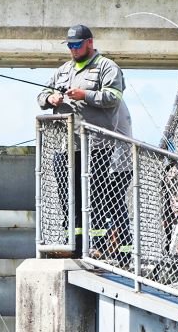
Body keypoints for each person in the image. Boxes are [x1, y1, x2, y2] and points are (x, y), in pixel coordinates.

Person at [38, 25, 133, 263]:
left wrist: (85, 95)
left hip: (98, 145)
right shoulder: (63, 70)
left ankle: (97, 248)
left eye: (77, 45)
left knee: (96, 197)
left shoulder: (107, 67)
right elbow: (41, 95)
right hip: (66, 145)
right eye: (69, 45)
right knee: (68, 197)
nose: (73, 49)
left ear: (89, 43)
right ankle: (76, 245)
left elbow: (114, 97)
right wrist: (50, 98)